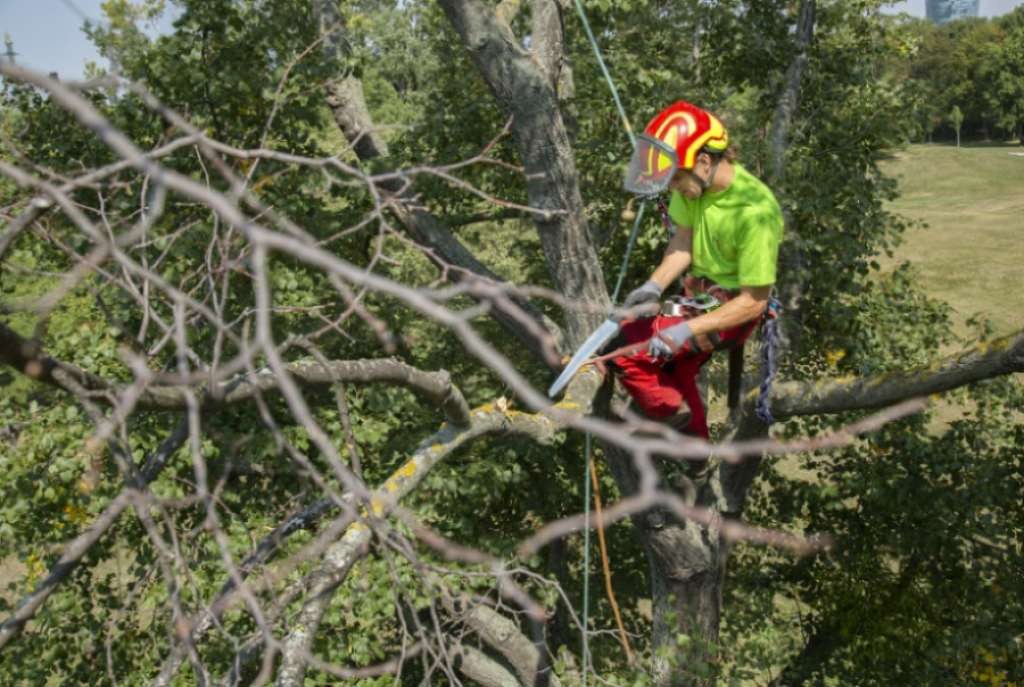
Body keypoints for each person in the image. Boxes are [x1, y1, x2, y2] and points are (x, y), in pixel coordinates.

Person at [615, 100, 783, 440]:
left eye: (676, 178)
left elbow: (754, 302)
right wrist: (652, 286)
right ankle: (695, 449)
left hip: (734, 310)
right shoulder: (694, 188)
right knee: (673, 364)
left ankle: (674, 417)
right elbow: (682, 242)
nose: (674, 187)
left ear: (704, 162)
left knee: (626, 352)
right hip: (698, 297)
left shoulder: (755, 213)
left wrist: (685, 331)